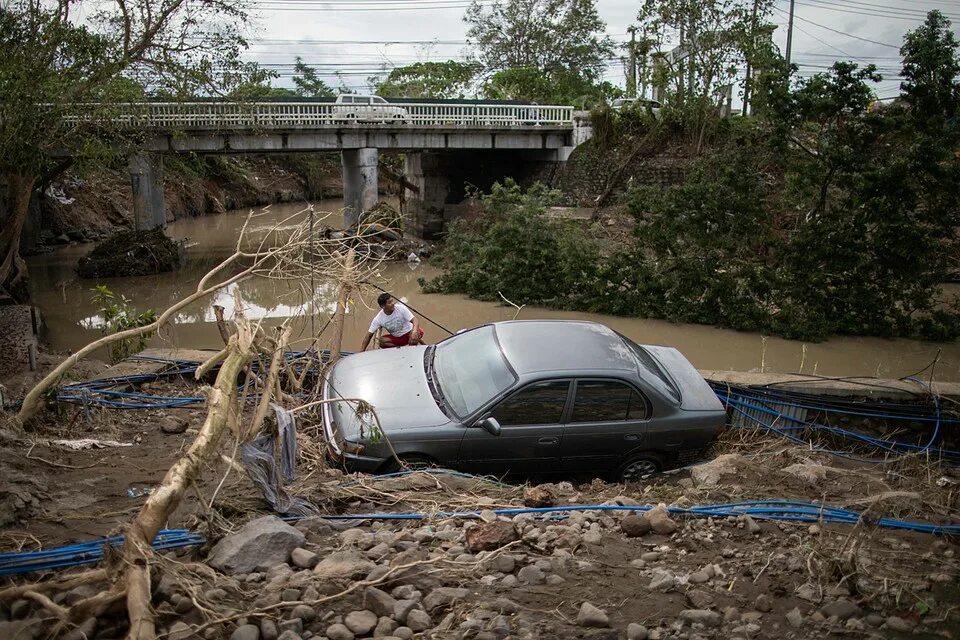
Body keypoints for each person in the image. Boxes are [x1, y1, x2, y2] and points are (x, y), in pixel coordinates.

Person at [360, 292, 425, 350]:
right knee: (382, 341)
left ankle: (411, 351)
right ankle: (400, 350)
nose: (393, 304)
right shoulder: (378, 319)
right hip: (397, 338)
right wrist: (361, 352)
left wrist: (414, 331)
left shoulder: (401, 308)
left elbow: (415, 320)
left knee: (414, 336)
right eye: (389, 303)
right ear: (383, 306)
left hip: (410, 333)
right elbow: (368, 335)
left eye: (392, 301)